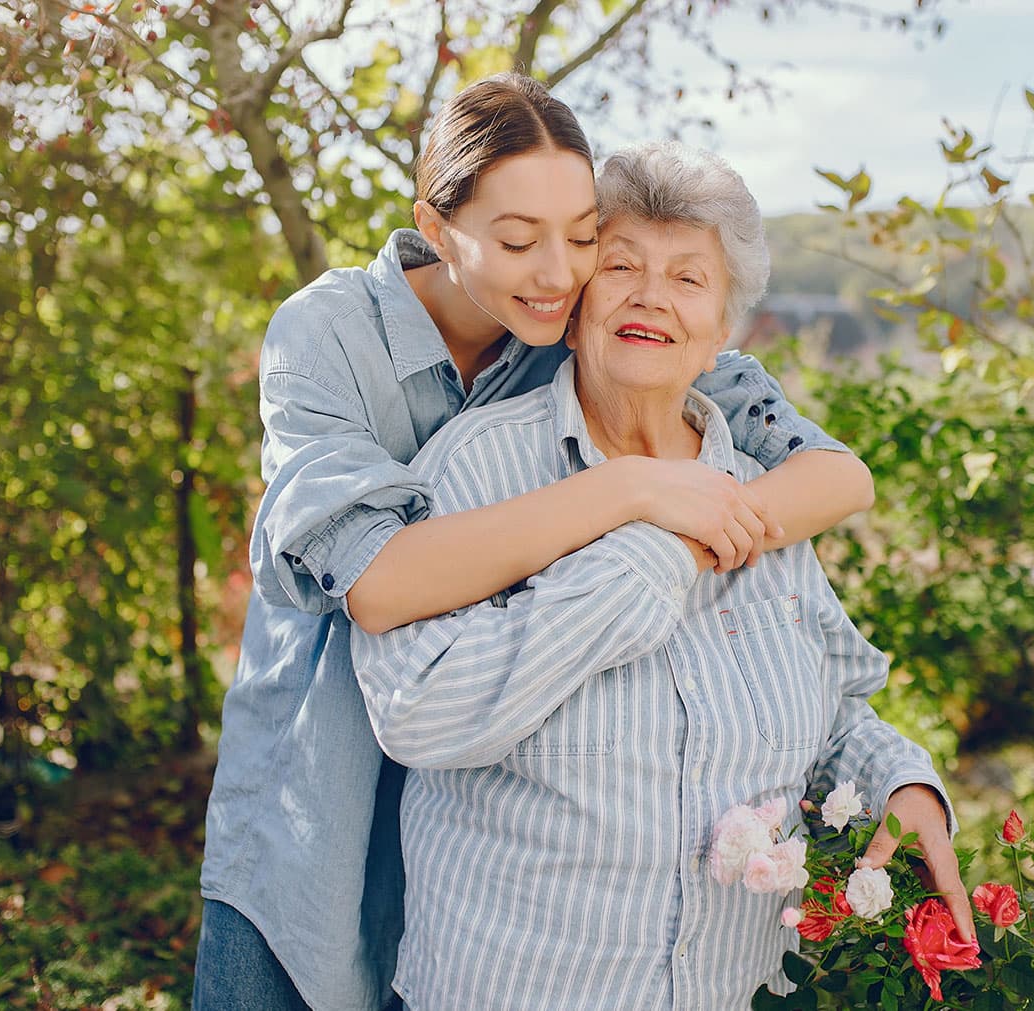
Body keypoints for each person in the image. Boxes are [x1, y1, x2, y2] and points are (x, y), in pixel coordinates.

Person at [195, 75, 879, 1011]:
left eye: (584, 235)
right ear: (436, 231)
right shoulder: (329, 333)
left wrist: (706, 531)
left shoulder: (585, 323)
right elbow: (381, 585)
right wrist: (637, 492)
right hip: (328, 774)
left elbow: (835, 475)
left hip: (490, 800)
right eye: (518, 241)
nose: (559, 271)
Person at [351, 141, 967, 1011]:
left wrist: (902, 779)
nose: (651, 296)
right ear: (572, 301)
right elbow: (415, 711)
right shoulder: (475, 469)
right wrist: (652, 547)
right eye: (621, 265)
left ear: (722, 329)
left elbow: (828, 706)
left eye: (689, 278)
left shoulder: (762, 499)